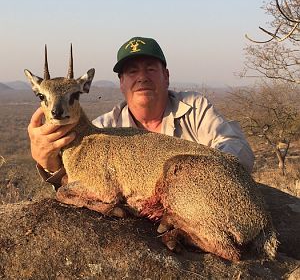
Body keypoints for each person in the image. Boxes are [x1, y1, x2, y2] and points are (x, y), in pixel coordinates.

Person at [28, 36, 254, 188]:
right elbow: (83, 183)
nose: (142, 77)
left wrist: (201, 174)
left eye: (150, 69)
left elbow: (236, 147)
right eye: (132, 71)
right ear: (121, 83)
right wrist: (51, 163)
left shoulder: (195, 108)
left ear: (166, 76)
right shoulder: (102, 130)